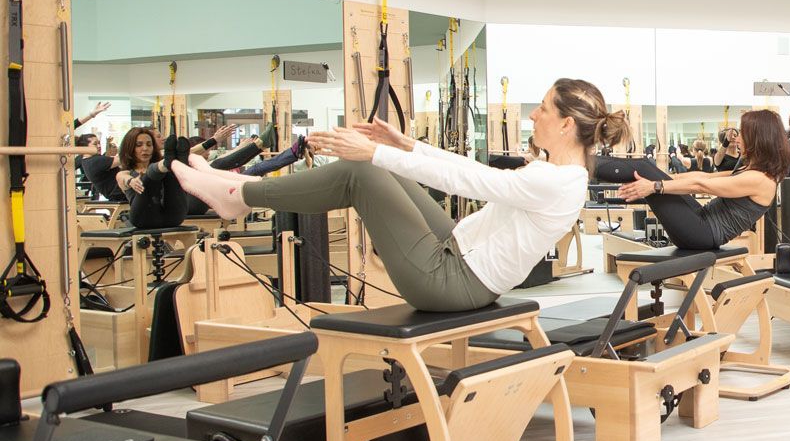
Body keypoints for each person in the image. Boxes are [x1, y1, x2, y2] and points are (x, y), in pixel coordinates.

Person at [173, 78, 621, 312]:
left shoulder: (560, 181)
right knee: (384, 170)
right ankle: (237, 189)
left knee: (361, 173)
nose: (531, 116)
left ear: (565, 124)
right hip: (458, 249)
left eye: (542, 108)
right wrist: (406, 145)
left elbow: (470, 183)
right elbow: (476, 171)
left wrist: (373, 153)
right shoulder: (558, 173)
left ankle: (239, 193)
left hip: (454, 283)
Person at [594, 109, 790, 251]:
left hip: (702, 234)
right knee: (646, 168)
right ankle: (585, 165)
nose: (737, 140)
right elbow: (703, 176)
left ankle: (583, 164)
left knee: (645, 167)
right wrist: (660, 178)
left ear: (758, 139)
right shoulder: (750, 170)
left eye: (742, 135)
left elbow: (702, 185)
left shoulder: (760, 180)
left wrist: (654, 185)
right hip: (700, 222)